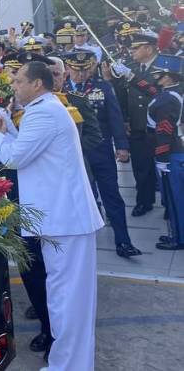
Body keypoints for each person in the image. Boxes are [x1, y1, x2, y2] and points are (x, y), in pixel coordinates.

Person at [0, 61, 103, 371]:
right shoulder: (45, 108)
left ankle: (70, 366)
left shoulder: (43, 111)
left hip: (67, 221)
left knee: (68, 302)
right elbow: (30, 148)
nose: (13, 86)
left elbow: (15, 156)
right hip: (61, 221)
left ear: (37, 84)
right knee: (62, 299)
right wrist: (7, 128)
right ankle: (67, 364)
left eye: (19, 81)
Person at [65, 50, 142, 258]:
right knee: (81, 197)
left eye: (84, 69)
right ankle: (82, 242)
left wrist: (122, 146)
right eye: (76, 70)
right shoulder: (60, 91)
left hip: (101, 151)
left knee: (112, 196)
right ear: (68, 68)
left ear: (91, 67)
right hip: (74, 155)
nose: (80, 74)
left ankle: (123, 242)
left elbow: (115, 118)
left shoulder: (102, 87)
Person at [112, 30, 160, 216]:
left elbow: (156, 91)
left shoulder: (163, 65)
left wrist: (132, 78)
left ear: (148, 48)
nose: (132, 52)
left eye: (136, 48)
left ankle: (171, 205)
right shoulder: (132, 66)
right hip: (138, 125)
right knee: (141, 167)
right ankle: (144, 201)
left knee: (164, 168)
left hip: (160, 126)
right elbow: (123, 97)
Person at [147, 54, 184, 250]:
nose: (155, 76)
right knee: (173, 197)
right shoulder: (170, 93)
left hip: (169, 153)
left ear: (168, 77)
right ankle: (176, 234)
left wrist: (161, 158)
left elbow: (164, 131)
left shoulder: (167, 100)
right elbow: (151, 90)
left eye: (158, 74)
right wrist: (131, 77)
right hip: (172, 151)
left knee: (175, 199)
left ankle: (179, 239)